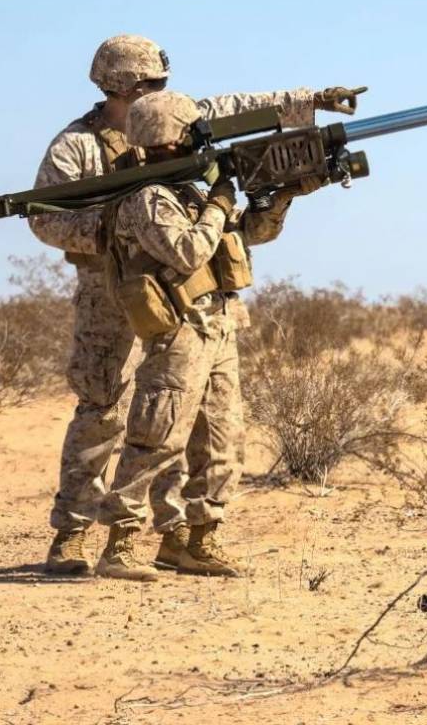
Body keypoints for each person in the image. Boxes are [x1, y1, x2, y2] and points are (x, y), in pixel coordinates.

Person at [30, 34, 365, 575]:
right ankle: (72, 533)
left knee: (186, 413)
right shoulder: (75, 147)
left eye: (162, 83)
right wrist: (121, 232)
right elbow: (45, 219)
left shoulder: (181, 120)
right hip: (109, 290)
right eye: (150, 85)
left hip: (187, 293)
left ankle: (180, 533)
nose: (161, 91)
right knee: (104, 408)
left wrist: (314, 99)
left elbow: (245, 108)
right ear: (119, 86)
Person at [93, 90, 329, 581]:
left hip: (220, 324)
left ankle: (196, 542)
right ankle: (119, 547)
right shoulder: (148, 198)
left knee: (222, 438)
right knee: (157, 437)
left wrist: (282, 194)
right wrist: (222, 199)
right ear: (174, 135)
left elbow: (248, 235)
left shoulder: (194, 189)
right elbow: (187, 250)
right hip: (178, 330)